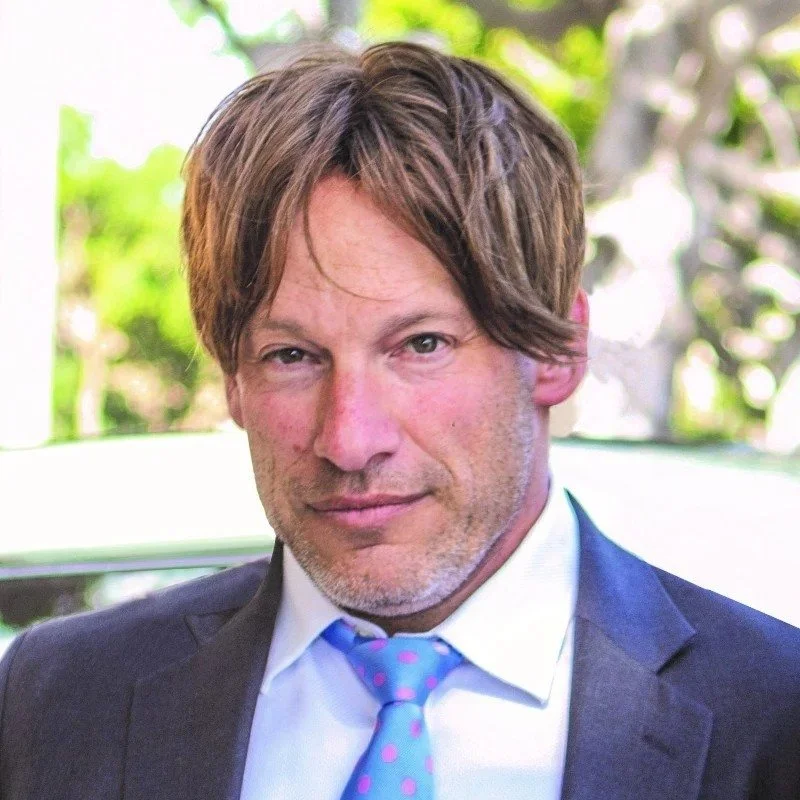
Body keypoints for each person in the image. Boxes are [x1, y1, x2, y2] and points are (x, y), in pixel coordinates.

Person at [1, 41, 798, 800]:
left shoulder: (773, 717)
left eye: (421, 345)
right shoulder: (59, 701)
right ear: (232, 377)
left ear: (558, 351)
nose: (349, 439)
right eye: (292, 356)